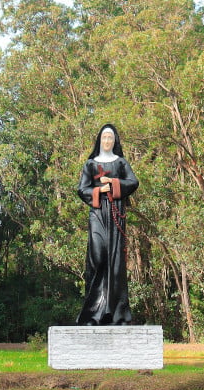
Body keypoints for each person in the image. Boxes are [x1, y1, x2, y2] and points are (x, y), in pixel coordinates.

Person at [75, 124, 139, 325]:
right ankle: (92, 313)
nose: (107, 141)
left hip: (115, 215)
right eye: (104, 137)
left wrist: (112, 184)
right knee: (98, 257)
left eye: (111, 138)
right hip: (97, 214)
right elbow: (82, 189)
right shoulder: (91, 164)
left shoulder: (120, 163)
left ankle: (115, 314)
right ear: (99, 140)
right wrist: (99, 191)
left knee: (116, 262)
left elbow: (133, 182)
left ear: (115, 141)